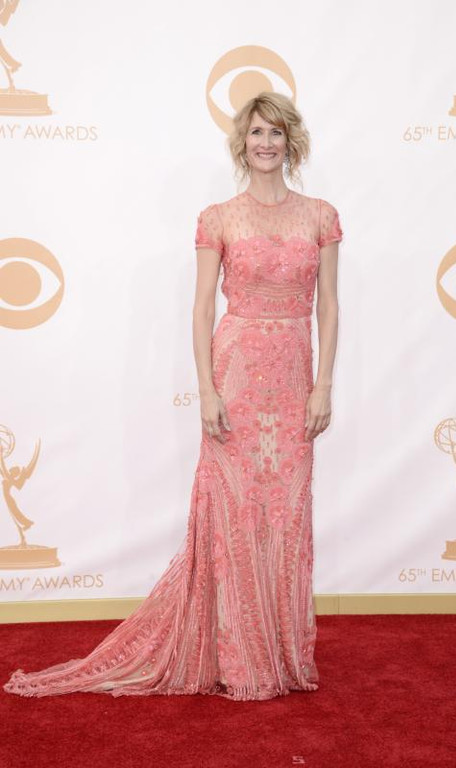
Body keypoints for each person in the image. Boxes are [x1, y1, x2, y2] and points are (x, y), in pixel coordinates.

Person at [3, 91, 343, 702]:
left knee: (287, 513)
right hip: (236, 375)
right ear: (242, 143)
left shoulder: (321, 216)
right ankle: (241, 659)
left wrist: (323, 386)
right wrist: (207, 390)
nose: (266, 143)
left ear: (292, 140)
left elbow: (330, 306)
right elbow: (202, 308)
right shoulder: (218, 218)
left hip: (295, 381)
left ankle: (283, 653)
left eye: (275, 132)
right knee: (235, 512)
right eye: (256, 132)